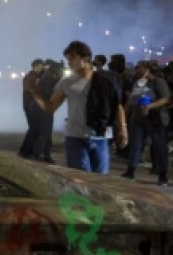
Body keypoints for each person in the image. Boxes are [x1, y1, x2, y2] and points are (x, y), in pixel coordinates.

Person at [26, 40, 127, 174]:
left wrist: (123, 129)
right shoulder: (67, 83)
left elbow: (117, 105)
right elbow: (50, 107)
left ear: (85, 58)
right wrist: (34, 92)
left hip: (100, 137)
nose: (69, 62)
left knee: (101, 181)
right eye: (67, 59)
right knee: (80, 180)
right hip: (75, 138)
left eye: (72, 58)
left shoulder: (105, 80)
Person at [122, 61, 169, 186]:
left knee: (159, 147)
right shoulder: (139, 83)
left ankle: (163, 175)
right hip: (138, 119)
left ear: (148, 69)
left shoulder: (159, 82)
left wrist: (150, 106)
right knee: (135, 145)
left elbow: (165, 99)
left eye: (140, 68)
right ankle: (130, 171)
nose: (137, 70)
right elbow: (132, 100)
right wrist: (125, 117)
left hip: (156, 120)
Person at [18, 58, 45, 159]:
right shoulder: (29, 77)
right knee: (34, 128)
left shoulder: (38, 77)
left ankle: (28, 150)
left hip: (34, 106)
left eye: (41, 66)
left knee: (34, 129)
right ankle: (25, 150)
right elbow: (29, 89)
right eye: (37, 66)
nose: (39, 68)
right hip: (30, 106)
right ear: (33, 67)